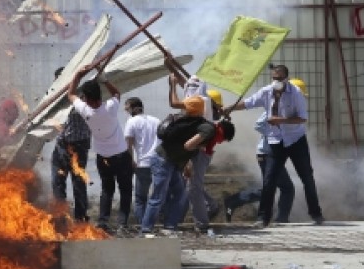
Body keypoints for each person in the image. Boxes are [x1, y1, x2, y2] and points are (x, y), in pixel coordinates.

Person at [223, 66, 325, 228]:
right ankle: (263, 217)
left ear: (286, 79)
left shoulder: (296, 94)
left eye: (279, 78)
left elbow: (302, 118)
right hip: (276, 140)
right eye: (274, 78)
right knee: (269, 179)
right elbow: (249, 103)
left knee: (306, 176)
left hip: (295, 139)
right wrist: (230, 108)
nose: (276, 82)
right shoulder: (267, 92)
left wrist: (281, 120)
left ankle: (316, 213)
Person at [139, 78, 215, 235]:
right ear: (202, 110)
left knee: (180, 194)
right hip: (164, 161)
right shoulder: (205, 126)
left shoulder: (180, 119)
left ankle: (170, 226)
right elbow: (188, 146)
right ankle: (146, 229)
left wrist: (172, 83)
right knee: (158, 196)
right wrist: (199, 145)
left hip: (170, 160)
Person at [67, 64, 135, 228]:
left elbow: (70, 93)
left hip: (103, 157)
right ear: (99, 96)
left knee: (107, 190)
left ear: (87, 99)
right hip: (121, 155)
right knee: (125, 190)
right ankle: (121, 223)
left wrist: (78, 75)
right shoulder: (110, 107)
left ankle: (103, 221)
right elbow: (117, 93)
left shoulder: (85, 111)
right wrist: (105, 80)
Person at [176, 87, 234, 232]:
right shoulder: (208, 116)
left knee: (193, 187)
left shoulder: (207, 117)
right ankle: (210, 206)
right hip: (200, 153)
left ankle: (200, 221)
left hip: (200, 154)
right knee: (193, 185)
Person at [51, 69, 93, 222]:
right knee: (57, 183)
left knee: (79, 183)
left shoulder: (80, 98)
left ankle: (80, 217)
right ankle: (60, 217)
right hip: (61, 146)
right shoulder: (55, 98)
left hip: (78, 147)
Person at [123, 97, 159, 223]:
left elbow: (128, 144)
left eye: (127, 108)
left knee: (140, 198)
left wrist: (130, 161)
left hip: (142, 164)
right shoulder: (156, 120)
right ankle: (153, 223)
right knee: (156, 197)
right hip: (158, 163)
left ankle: (143, 226)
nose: (126, 110)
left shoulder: (132, 122)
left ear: (133, 108)